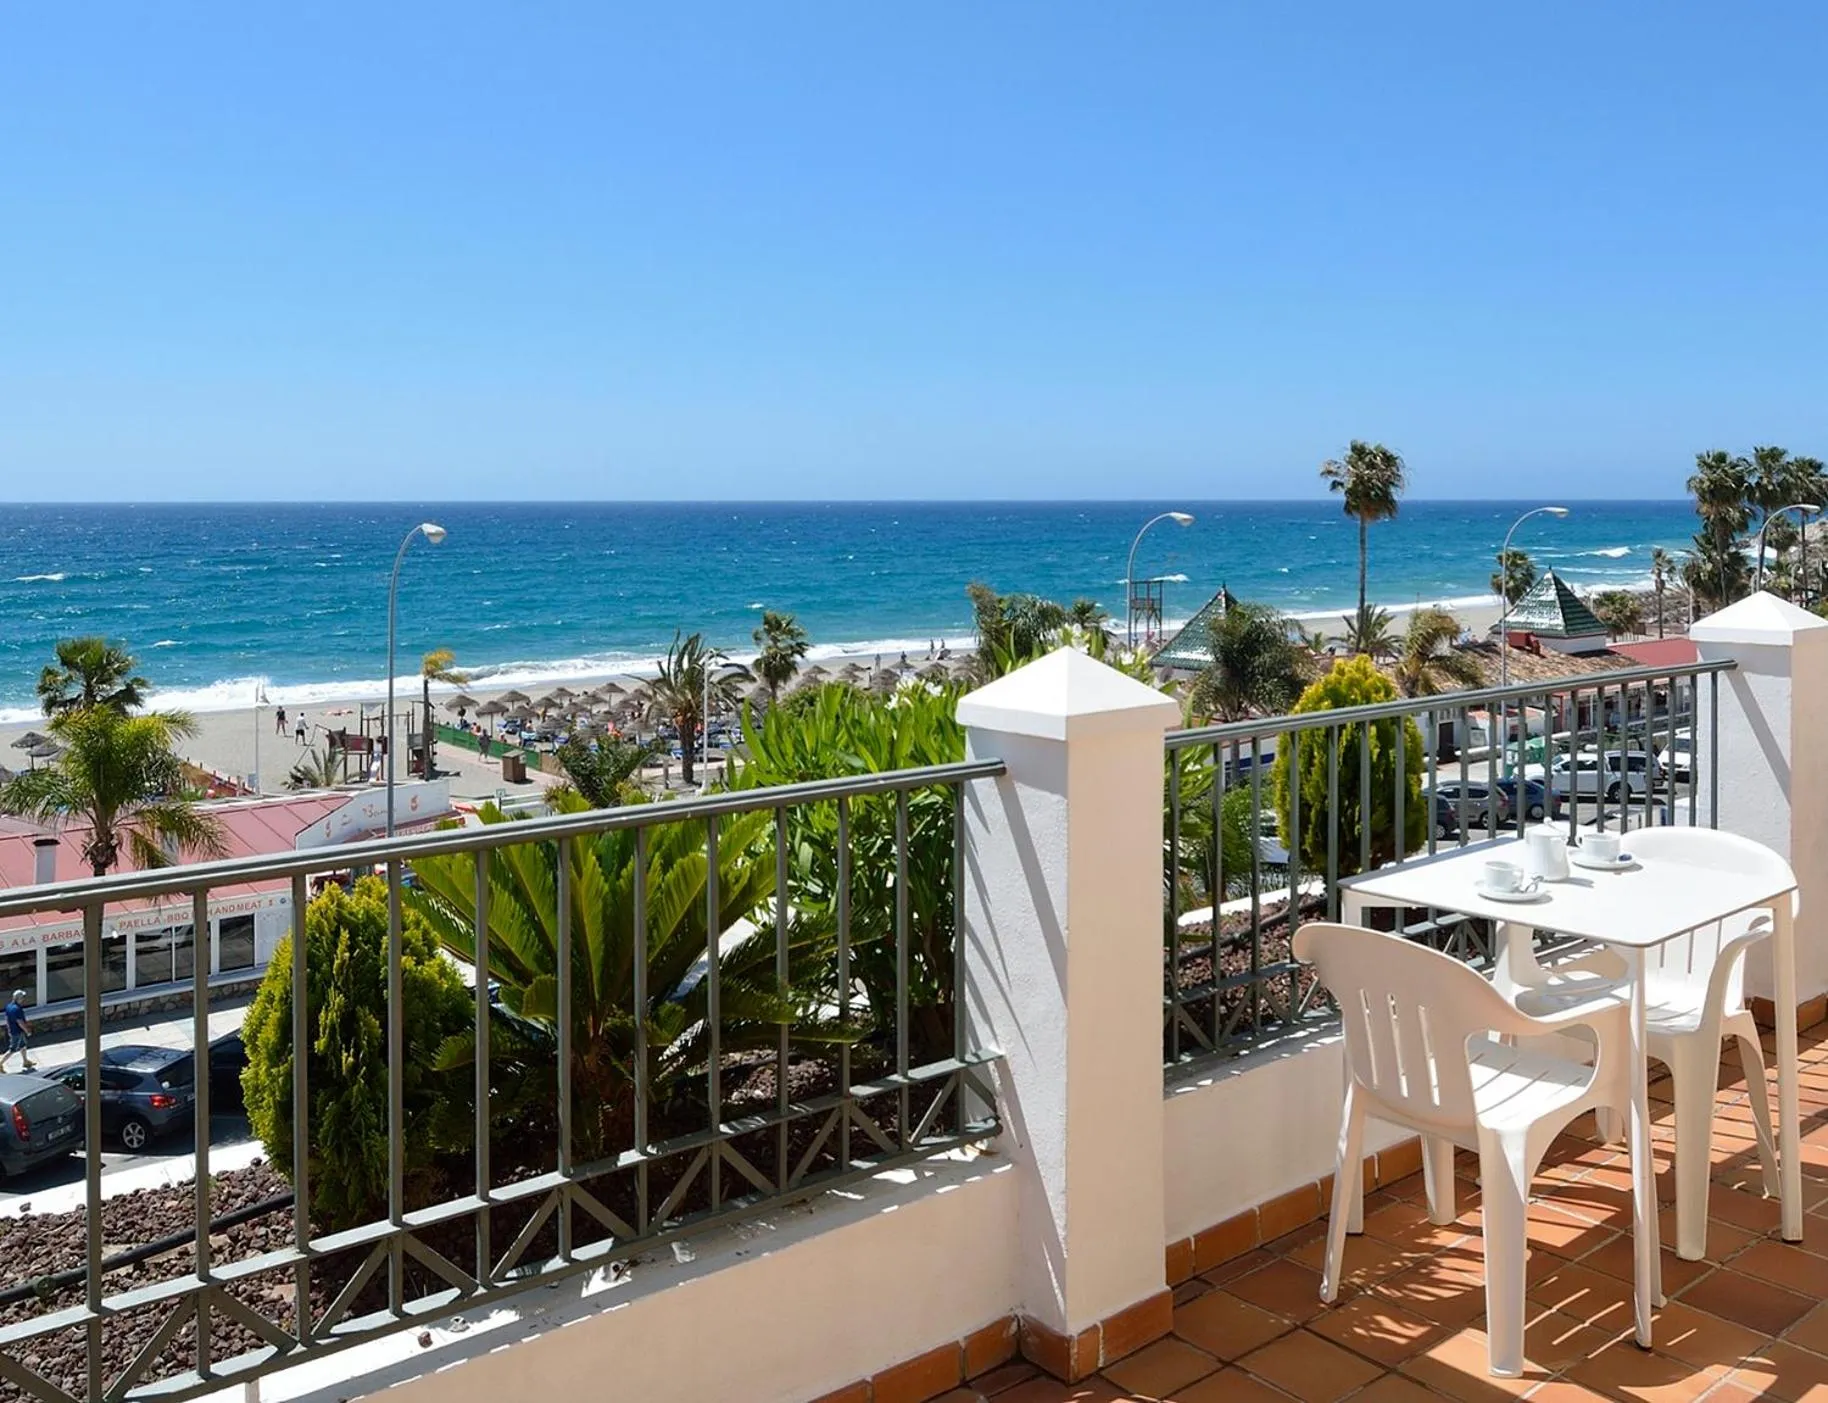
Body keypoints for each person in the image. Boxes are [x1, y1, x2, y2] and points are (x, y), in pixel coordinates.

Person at [2, 990, 32, 1072]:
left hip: (13, 1030)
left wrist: (9, 1029)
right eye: (22, 998)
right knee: (13, 1049)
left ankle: (25, 1061)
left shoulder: (8, 1006)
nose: (23, 999)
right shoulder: (17, 1009)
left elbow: (7, 1018)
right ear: (19, 998)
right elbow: (20, 1022)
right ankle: (0, 1063)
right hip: (17, 1032)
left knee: (23, 1045)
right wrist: (27, 1031)